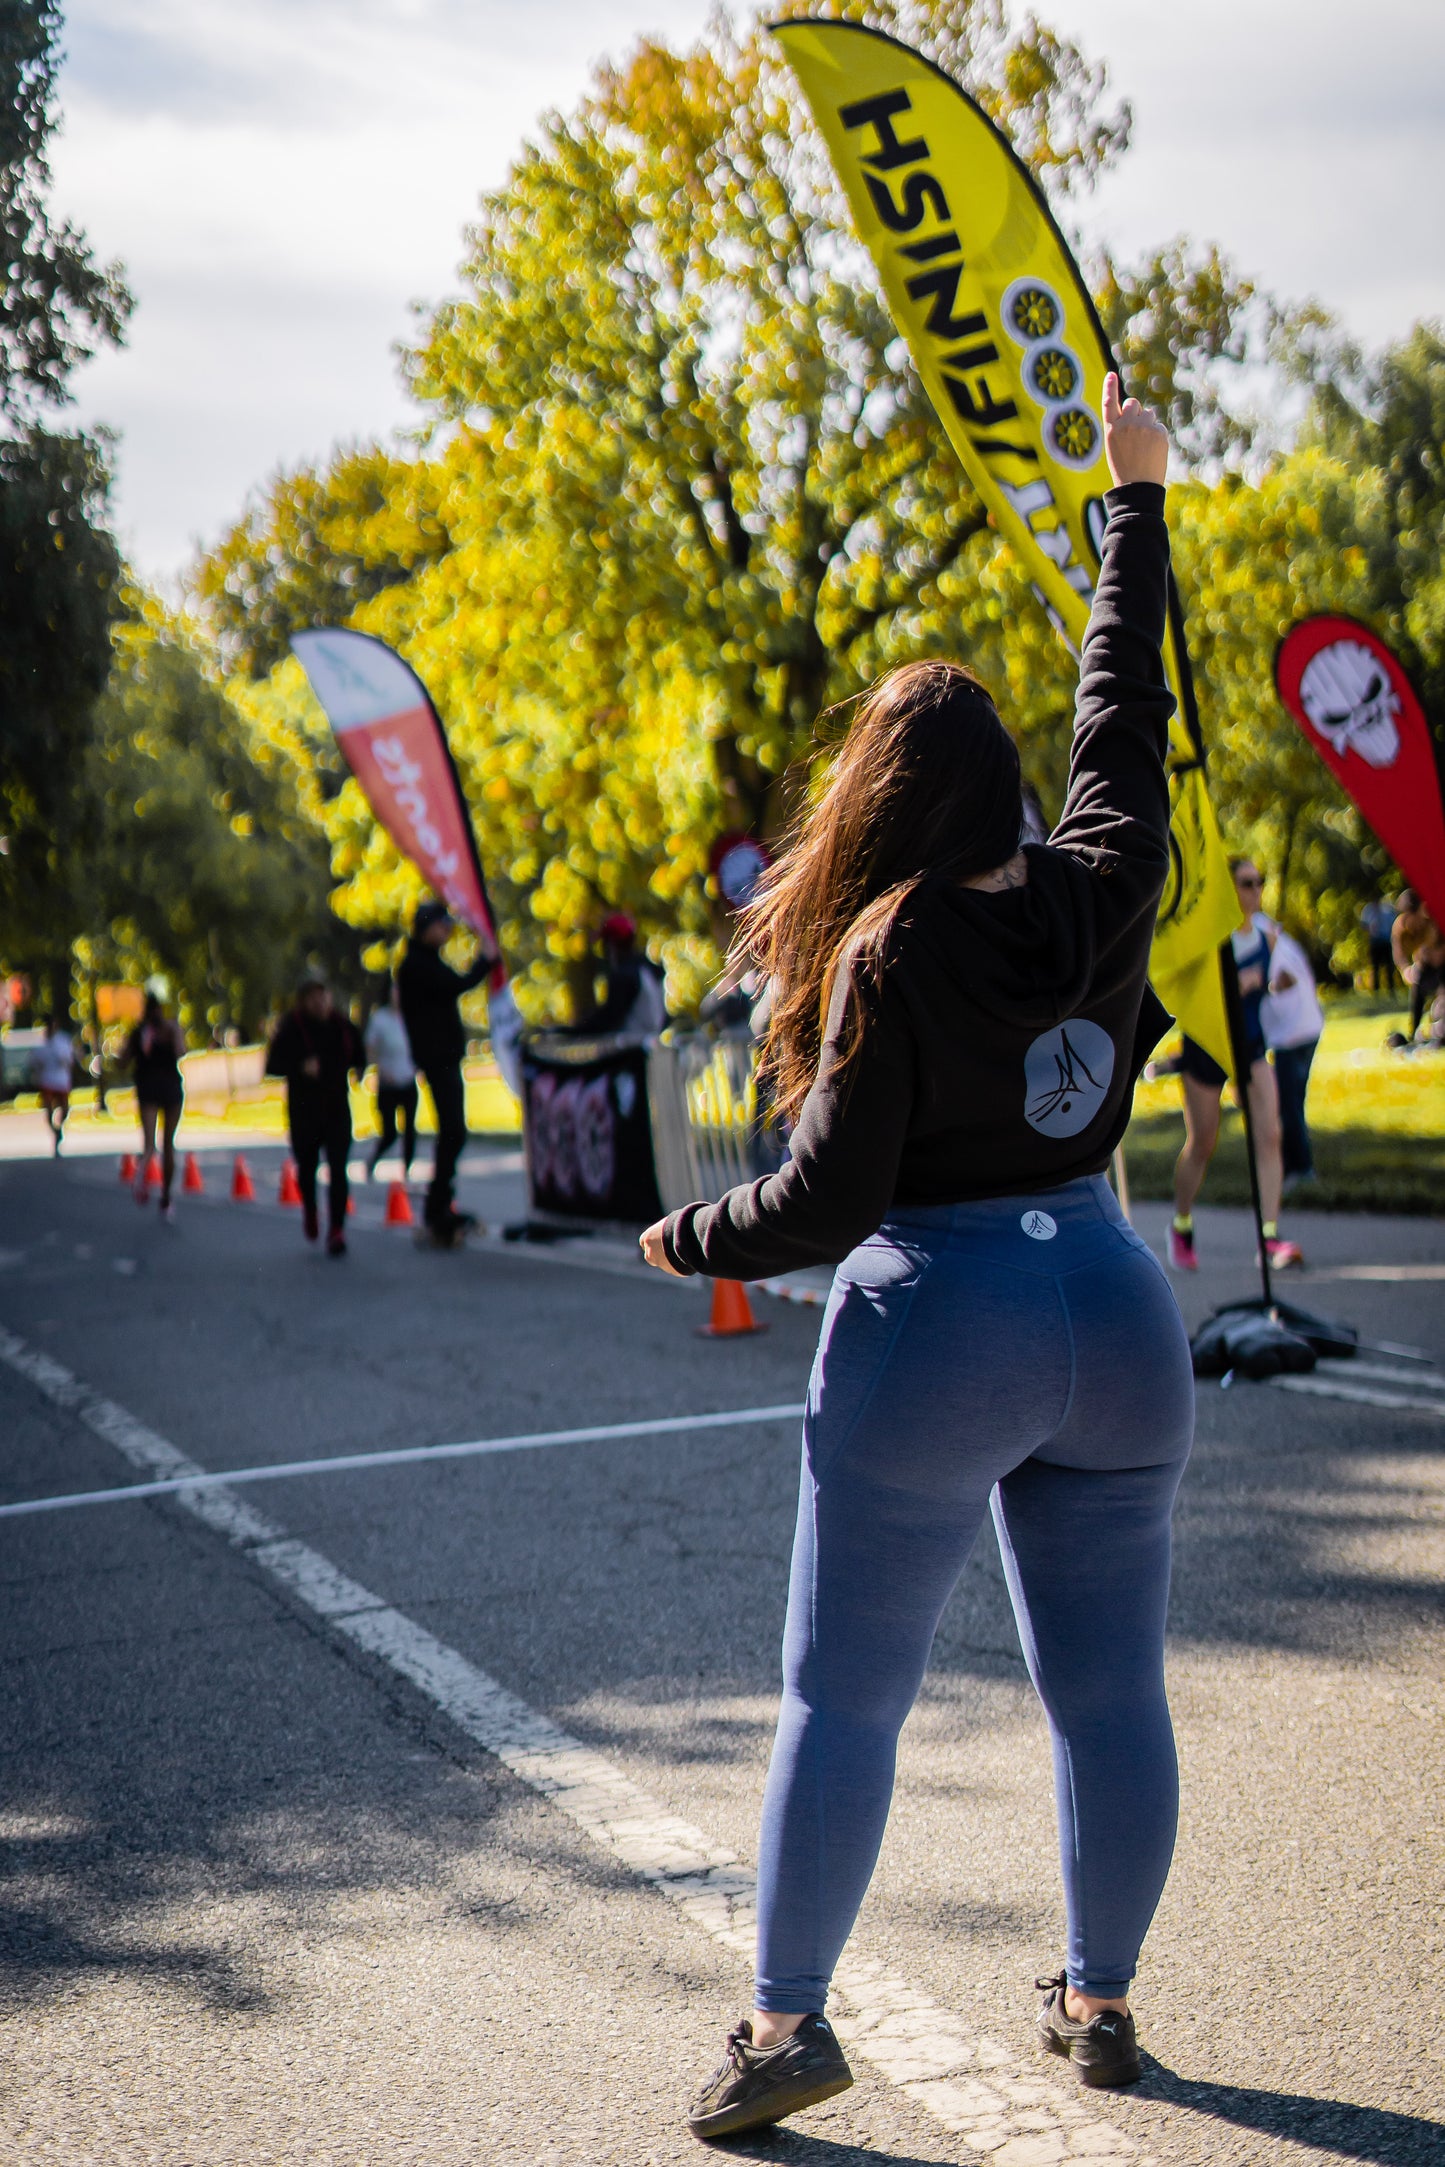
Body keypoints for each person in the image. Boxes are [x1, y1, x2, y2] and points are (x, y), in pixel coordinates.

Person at [640, 379, 1194, 2137]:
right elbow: (1125, 689)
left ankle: (786, 2021)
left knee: (843, 1696)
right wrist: (1137, 502)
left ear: (881, 803)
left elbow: (818, 1205)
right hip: (1118, 1312)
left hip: (935, 1321)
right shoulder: (1115, 873)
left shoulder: (884, 950)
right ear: (1018, 783)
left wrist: (681, 1237)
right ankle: (1099, 1998)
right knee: (1111, 1690)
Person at [1166, 858, 1301, 1273]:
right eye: (1246, 883)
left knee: (1271, 1134)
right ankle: (1182, 1224)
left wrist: (1274, 985)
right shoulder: (1210, 940)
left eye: (1261, 882)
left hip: (1251, 1049)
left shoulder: (1269, 936)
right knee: (1203, 1141)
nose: (1256, 891)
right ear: (1229, 889)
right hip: (1207, 1048)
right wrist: (1231, 987)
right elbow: (1185, 994)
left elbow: (1268, 983)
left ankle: (1269, 1235)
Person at [397, 901, 497, 1243]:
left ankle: (440, 1204)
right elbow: (456, 984)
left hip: (443, 1055)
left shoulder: (424, 961)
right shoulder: (416, 964)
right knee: (453, 1130)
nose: (448, 931)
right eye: (442, 925)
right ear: (427, 928)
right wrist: (486, 959)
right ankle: (437, 1207)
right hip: (436, 1057)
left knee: (454, 1131)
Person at [265, 979, 363, 1257]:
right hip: (304, 1109)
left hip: (336, 1107)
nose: (320, 1003)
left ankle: (337, 1229)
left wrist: (360, 1069)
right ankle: (310, 1207)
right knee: (307, 1167)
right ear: (303, 1001)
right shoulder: (291, 1028)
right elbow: (272, 1065)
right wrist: (299, 1068)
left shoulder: (342, 1026)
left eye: (324, 996)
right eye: (313, 998)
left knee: (339, 1168)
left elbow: (359, 1051)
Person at [1258, 918, 1325, 1196]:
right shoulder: (1287, 943)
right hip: (1309, 1028)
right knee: (1294, 1101)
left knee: (1289, 1104)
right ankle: (1292, 1164)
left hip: (1291, 1036)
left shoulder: (1268, 948)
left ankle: (1301, 1168)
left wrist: (1260, 985)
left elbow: (1283, 980)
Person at [123, 991, 186, 1215]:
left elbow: (123, 1060)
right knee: (168, 1144)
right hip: (168, 1087)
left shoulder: (140, 1031)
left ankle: (143, 1179)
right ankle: (166, 1194)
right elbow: (181, 1052)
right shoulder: (169, 1029)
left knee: (151, 1144)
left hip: (149, 1087)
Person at [364, 980, 418, 1183]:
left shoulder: (410, 1018)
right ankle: (373, 1160)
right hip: (388, 1082)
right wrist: (380, 1069)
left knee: (410, 1128)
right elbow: (371, 1048)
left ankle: (407, 1169)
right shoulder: (380, 1019)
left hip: (407, 1079)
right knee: (390, 1132)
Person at [583, 913, 668, 1035]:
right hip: (653, 1041)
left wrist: (571, 1030)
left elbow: (609, 1019)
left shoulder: (625, 975)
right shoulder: (648, 969)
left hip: (631, 1047)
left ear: (611, 945)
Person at [1391, 890, 1445, 1042]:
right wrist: (1406, 971)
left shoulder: (1433, 921)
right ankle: (1414, 1031)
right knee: (1418, 985)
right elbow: (1399, 956)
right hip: (1425, 965)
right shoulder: (1400, 928)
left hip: (1441, 964)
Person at [30, 1016, 75, 1156]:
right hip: (47, 1080)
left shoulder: (63, 1041)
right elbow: (34, 1063)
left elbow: (70, 1060)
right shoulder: (41, 1044)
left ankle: (59, 1127)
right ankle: (55, 1132)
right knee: (49, 1109)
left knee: (65, 1109)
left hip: (61, 1080)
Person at [1359, 895, 1397, 994]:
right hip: (1375, 942)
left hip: (1386, 941)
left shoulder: (1387, 909)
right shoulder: (1368, 909)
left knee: (1389, 967)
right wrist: (1370, 928)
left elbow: (1394, 922)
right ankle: (1376, 989)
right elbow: (1363, 924)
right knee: (1375, 967)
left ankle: (1391, 989)